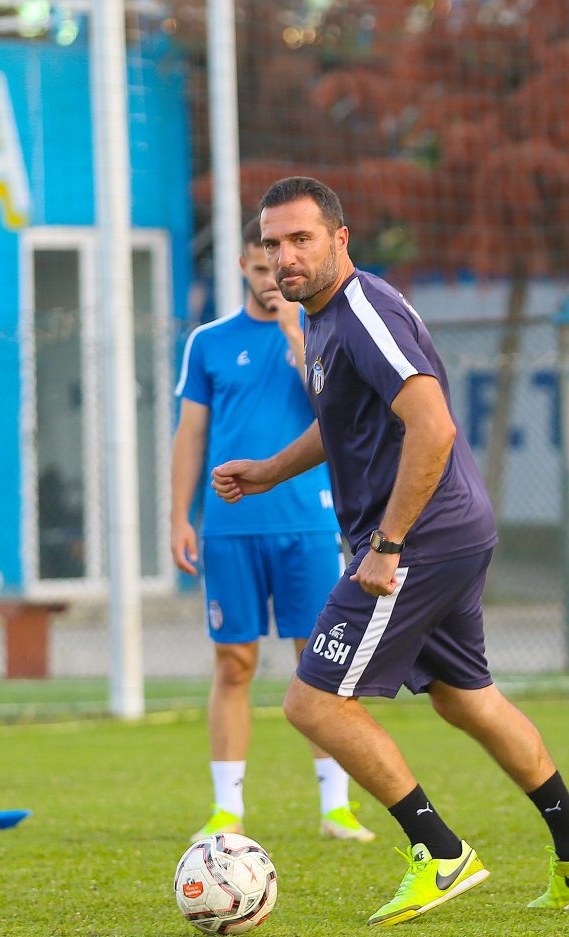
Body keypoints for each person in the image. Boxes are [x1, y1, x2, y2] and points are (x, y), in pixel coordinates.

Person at [210, 176, 569, 927]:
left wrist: (388, 545)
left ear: (341, 238)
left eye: (300, 239)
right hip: (451, 527)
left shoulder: (362, 311)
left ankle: (439, 853)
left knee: (311, 701)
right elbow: (345, 421)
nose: (283, 258)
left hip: (419, 535)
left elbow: (431, 426)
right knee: (465, 697)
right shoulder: (322, 321)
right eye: (272, 244)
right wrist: (272, 470)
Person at [171, 216, 373, 845]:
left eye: (278, 267)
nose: (270, 278)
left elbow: (334, 414)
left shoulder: (323, 333)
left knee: (321, 662)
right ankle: (227, 809)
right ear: (243, 267)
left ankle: (336, 806)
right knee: (234, 662)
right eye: (260, 267)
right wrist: (179, 514)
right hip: (231, 527)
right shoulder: (207, 342)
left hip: (307, 524)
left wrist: (294, 331)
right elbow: (192, 432)